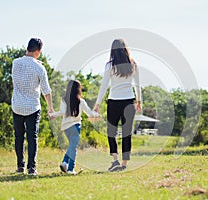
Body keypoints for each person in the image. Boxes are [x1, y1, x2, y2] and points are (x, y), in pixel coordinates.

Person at [94, 39, 142, 172]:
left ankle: (115, 160)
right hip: (129, 102)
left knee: (111, 132)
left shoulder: (109, 65)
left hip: (114, 101)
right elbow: (137, 85)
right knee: (127, 133)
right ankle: (124, 164)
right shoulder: (133, 64)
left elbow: (104, 86)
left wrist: (97, 103)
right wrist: (139, 102)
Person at [12, 38, 53, 175]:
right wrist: (50, 108)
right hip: (32, 107)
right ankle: (31, 168)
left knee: (19, 137)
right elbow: (46, 91)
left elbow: (25, 64)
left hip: (17, 106)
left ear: (27, 48)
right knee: (32, 137)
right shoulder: (40, 68)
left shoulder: (15, 63)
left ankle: (20, 166)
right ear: (39, 51)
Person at [50, 80, 99, 175]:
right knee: (73, 147)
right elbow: (89, 113)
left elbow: (62, 112)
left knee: (71, 146)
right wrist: (96, 113)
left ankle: (65, 163)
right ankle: (70, 169)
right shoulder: (81, 101)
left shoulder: (64, 99)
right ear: (78, 89)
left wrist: (53, 114)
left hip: (66, 127)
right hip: (76, 126)